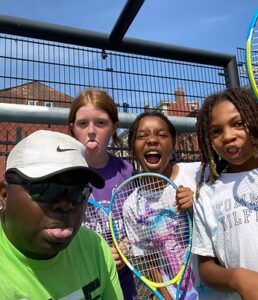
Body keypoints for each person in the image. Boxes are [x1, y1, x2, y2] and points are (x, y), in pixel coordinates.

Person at [0, 130, 123, 300]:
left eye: (78, 191)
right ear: (5, 195)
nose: (65, 204)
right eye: (45, 188)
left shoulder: (95, 247)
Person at [126, 111, 204, 299]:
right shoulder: (130, 206)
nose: (152, 140)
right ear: (132, 148)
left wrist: (197, 207)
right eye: (142, 135)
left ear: (174, 144)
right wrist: (166, 296)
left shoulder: (200, 174)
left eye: (161, 134)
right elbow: (149, 257)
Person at [69, 88, 137, 300]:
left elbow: (138, 222)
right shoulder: (64, 173)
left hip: (123, 287)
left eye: (100, 123)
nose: (91, 131)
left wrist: (124, 248)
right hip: (78, 284)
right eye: (83, 124)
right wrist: (99, 255)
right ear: (72, 128)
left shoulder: (127, 171)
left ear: (114, 127)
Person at [192, 87, 258, 300]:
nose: (228, 136)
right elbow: (206, 267)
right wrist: (236, 278)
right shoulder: (207, 194)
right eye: (216, 131)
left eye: (238, 123)